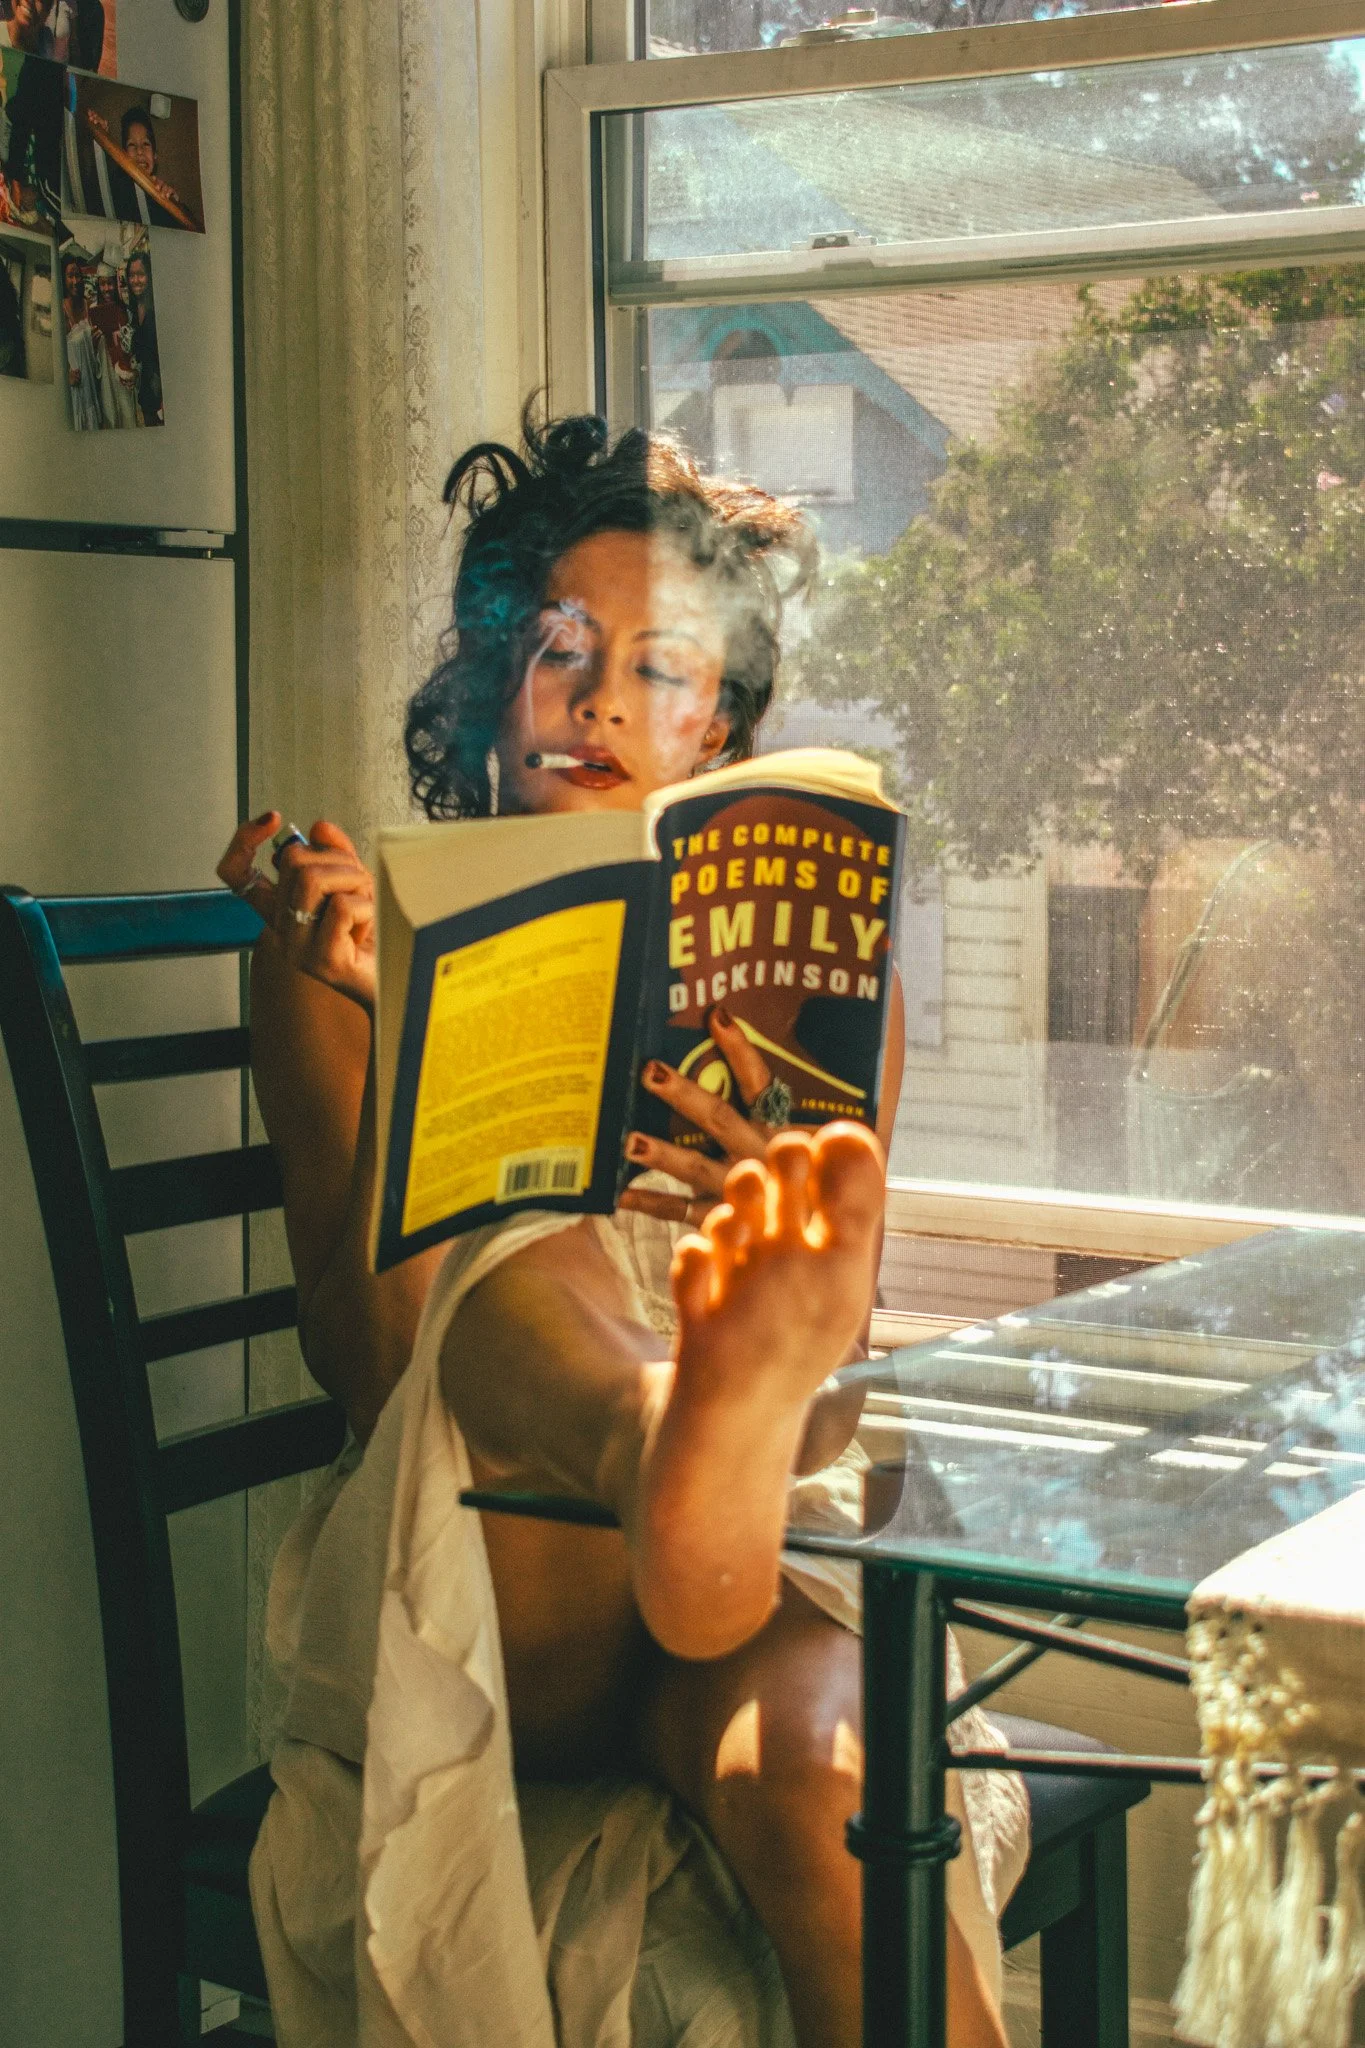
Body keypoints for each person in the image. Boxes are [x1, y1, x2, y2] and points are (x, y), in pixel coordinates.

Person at [218, 413, 1027, 2048]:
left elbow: (837, 1386)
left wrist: (764, 1224)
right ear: (488, 683)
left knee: (828, 1773)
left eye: (656, 669)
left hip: (747, 1555)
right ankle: (654, 1420)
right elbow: (370, 1365)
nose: (597, 700)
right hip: (495, 1578)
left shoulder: (807, 975)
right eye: (559, 650)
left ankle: (696, 1423)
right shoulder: (339, 941)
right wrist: (406, 1037)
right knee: (523, 1241)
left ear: (715, 719)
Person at [99, 104, 189, 230]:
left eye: (146, 144)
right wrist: (101, 138)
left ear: (155, 155)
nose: (140, 151)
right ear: (124, 154)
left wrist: (175, 204)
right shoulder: (114, 187)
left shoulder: (159, 197)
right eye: (131, 144)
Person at [87, 261, 135, 427]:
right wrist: (93, 344)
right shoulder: (93, 310)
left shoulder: (125, 310)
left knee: (127, 414)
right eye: (102, 284)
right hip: (105, 373)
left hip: (122, 371)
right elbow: (92, 355)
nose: (106, 289)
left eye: (110, 283)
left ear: (116, 283)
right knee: (110, 415)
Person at [60, 252, 101, 430]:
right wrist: (66, 375)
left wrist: (95, 342)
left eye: (78, 275)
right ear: (63, 279)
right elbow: (54, 354)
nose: (75, 281)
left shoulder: (88, 304)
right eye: (70, 276)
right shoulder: (61, 310)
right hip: (77, 389)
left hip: (92, 383)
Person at [124, 247, 161, 425]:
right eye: (131, 275)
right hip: (147, 389)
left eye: (141, 274)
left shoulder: (158, 306)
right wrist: (134, 373)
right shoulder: (132, 308)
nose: (135, 280)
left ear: (150, 276)